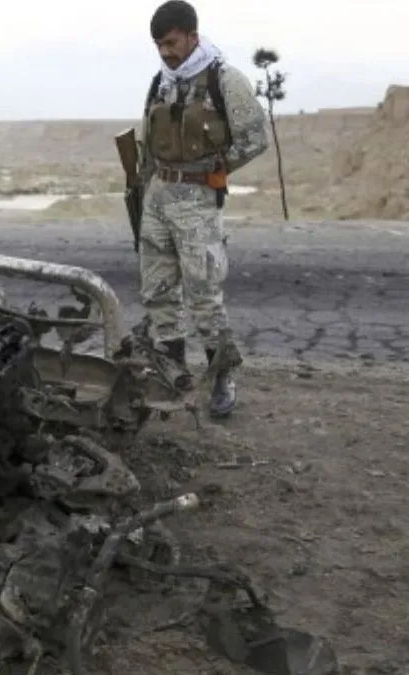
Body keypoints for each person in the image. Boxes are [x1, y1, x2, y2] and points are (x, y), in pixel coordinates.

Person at [136, 0, 269, 418]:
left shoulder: (223, 79)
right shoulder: (161, 82)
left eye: (171, 43)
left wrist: (216, 169)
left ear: (192, 35)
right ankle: (171, 370)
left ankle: (221, 376)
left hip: (197, 202)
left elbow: (255, 138)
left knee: (204, 295)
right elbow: (148, 142)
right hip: (158, 198)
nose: (166, 52)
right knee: (157, 291)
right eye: (159, 45)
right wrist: (144, 188)